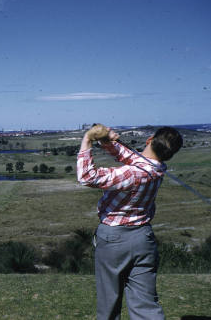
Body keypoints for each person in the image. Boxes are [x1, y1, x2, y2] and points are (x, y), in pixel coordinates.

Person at [76, 124, 183, 320]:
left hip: (114, 240)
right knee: (145, 307)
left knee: (109, 304)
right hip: (143, 239)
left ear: (149, 139)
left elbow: (86, 177)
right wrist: (106, 140)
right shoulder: (157, 168)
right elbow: (132, 156)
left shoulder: (134, 173)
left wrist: (87, 139)